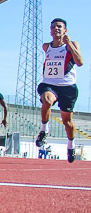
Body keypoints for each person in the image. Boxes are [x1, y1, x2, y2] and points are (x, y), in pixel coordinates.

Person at [34, 18, 83, 163]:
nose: (56, 29)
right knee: (47, 100)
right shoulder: (46, 46)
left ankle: (71, 145)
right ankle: (44, 130)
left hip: (67, 87)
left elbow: (80, 62)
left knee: (67, 122)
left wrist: (69, 45)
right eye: (53, 27)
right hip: (49, 83)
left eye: (59, 27)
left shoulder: (72, 44)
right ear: (50, 31)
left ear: (65, 30)